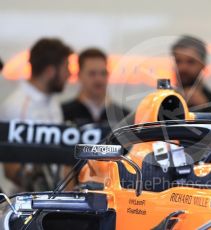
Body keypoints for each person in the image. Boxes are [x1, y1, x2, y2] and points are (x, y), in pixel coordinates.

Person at [0, 38, 73, 192]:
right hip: (26, 204)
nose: (69, 74)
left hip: (55, 199)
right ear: (50, 71)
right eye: (66, 67)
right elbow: (11, 168)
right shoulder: (17, 106)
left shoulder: (53, 102)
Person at [171, 35, 211, 118]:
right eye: (178, 61)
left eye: (191, 62)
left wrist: (206, 107)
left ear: (203, 65)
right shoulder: (160, 103)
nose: (183, 68)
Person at [62, 48, 129, 126]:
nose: (99, 79)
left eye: (103, 73)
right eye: (92, 73)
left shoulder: (124, 117)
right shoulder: (63, 114)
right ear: (79, 75)